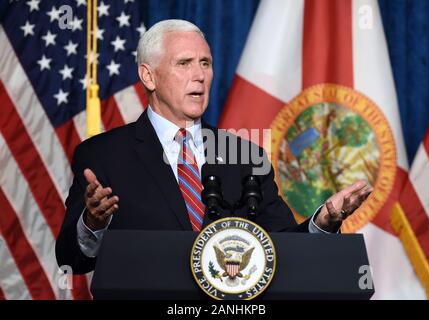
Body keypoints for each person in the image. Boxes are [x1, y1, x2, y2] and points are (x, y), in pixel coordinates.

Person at [55, 20, 372, 274]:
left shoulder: (246, 156)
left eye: (205, 63)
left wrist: (322, 224)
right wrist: (93, 223)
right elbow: (71, 259)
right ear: (148, 76)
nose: (199, 75)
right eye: (184, 63)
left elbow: (283, 249)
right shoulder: (102, 155)